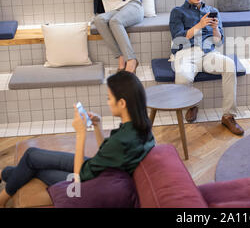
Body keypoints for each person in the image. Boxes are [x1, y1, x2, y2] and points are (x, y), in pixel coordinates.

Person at [0, 71, 155, 207]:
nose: (107, 102)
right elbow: (108, 152)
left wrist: (81, 134)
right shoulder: (140, 128)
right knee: (32, 155)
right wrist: (98, 126)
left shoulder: (123, 139)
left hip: (92, 183)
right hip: (101, 169)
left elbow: (78, 178)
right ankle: (6, 176)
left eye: (109, 98)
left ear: (122, 103)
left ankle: (2, 197)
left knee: (31, 169)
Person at [169, 0, 243, 136]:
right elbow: (177, 38)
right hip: (185, 53)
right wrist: (199, 25)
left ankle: (228, 116)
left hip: (208, 53)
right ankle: (191, 106)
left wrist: (215, 28)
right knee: (183, 78)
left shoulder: (212, 11)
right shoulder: (177, 12)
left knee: (229, 65)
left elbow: (218, 42)